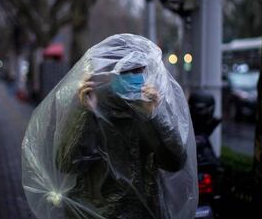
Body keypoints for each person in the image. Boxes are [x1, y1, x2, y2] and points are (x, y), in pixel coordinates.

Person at [22, 34, 198, 219]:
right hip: (91, 212)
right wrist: (85, 113)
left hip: (143, 212)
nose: (135, 77)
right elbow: (65, 163)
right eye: (126, 71)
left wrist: (154, 116)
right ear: (107, 74)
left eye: (140, 70)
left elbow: (175, 162)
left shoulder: (149, 107)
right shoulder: (88, 104)